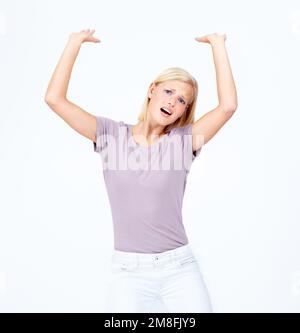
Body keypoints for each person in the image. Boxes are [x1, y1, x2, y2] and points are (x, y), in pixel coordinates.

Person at [44, 29, 238, 313]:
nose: (173, 102)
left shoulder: (184, 142)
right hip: (128, 273)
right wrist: (73, 42)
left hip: (179, 268)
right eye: (169, 91)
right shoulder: (110, 135)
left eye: (182, 100)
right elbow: (54, 100)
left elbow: (228, 106)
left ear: (184, 111)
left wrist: (218, 45)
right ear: (152, 91)